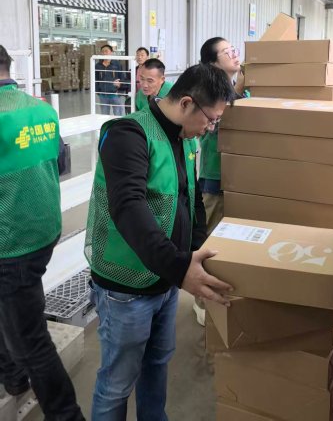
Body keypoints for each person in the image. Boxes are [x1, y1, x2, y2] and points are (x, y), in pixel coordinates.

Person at [84, 63, 235, 421]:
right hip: (126, 286)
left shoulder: (185, 139)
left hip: (165, 279)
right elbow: (128, 207)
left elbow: (190, 199)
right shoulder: (128, 134)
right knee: (117, 381)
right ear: (186, 103)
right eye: (211, 120)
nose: (210, 128)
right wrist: (180, 268)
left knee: (156, 364)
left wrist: (196, 253)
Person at [0, 45, 85, 420]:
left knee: (32, 342)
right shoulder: (41, 108)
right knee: (10, 308)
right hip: (44, 229)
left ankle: (66, 415)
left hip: (10, 241)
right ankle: (13, 376)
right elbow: (61, 162)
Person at [193, 38, 245, 326]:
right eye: (227, 52)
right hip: (214, 175)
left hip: (239, 177)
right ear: (213, 63)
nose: (234, 55)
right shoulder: (208, 91)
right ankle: (202, 300)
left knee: (232, 240)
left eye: (233, 50)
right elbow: (210, 128)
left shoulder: (242, 88)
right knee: (210, 241)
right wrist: (236, 93)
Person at [95, 44, 126, 116]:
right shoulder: (98, 65)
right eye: (102, 51)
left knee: (118, 115)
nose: (104, 53)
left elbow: (122, 77)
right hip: (103, 95)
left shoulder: (117, 64)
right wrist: (98, 91)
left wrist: (120, 89)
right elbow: (96, 79)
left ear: (111, 52)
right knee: (104, 115)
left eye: (106, 51)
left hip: (115, 95)